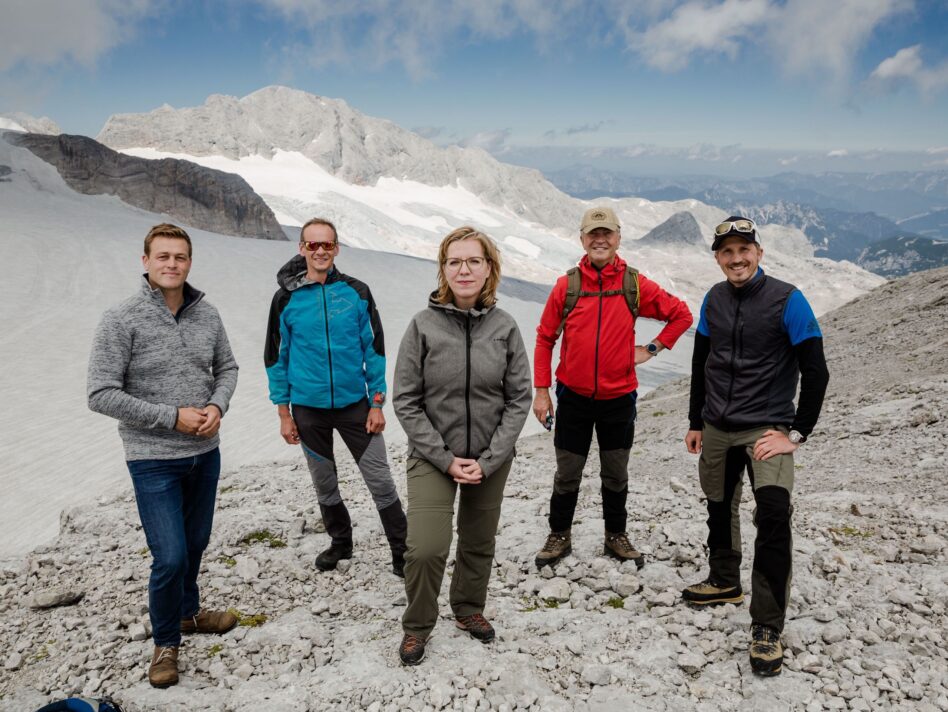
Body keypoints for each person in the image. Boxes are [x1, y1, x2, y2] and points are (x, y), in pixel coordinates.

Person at [88, 223, 239, 688]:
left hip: (205, 453)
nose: (172, 264)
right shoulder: (122, 319)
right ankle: (166, 642)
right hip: (152, 457)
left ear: (189, 263)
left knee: (196, 543)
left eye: (180, 257)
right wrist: (170, 417)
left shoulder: (207, 314)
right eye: (163, 256)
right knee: (169, 555)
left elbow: (228, 368)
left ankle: (189, 613)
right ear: (146, 261)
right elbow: (100, 393)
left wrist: (217, 405)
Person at [682, 216, 829, 677]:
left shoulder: (788, 299)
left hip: (765, 428)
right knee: (718, 505)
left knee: (772, 514)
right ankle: (725, 581)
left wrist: (796, 434)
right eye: (726, 251)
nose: (736, 258)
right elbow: (702, 359)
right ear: (718, 258)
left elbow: (817, 371)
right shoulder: (715, 297)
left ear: (759, 253)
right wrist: (695, 420)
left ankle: (767, 625)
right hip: (718, 426)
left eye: (744, 249)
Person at [393, 227, 532, 665]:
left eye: (473, 261)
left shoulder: (504, 327)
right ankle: (417, 626)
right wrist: (445, 458)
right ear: (443, 269)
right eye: (455, 261)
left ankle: (469, 608)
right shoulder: (423, 325)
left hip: (491, 458)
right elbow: (406, 399)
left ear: (489, 268)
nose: (464, 269)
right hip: (434, 457)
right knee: (426, 547)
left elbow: (519, 398)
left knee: (478, 540)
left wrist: (489, 460)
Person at [532, 206, 693, 569]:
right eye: (593, 233)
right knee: (568, 471)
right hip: (573, 397)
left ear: (618, 238)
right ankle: (559, 535)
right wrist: (542, 391)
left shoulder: (633, 284)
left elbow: (681, 313)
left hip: (619, 398)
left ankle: (615, 536)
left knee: (615, 471)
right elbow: (545, 338)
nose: (600, 239)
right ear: (583, 240)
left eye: (607, 233)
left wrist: (652, 348)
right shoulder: (568, 286)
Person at [265, 217, 407, 576]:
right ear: (302, 249)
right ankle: (341, 543)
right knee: (324, 481)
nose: (320, 251)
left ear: (336, 248)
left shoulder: (356, 292)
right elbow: (275, 357)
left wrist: (377, 402)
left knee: (380, 479)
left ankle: (403, 553)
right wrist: (284, 413)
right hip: (308, 409)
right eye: (313, 245)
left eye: (327, 244)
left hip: (355, 406)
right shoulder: (285, 299)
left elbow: (373, 349)